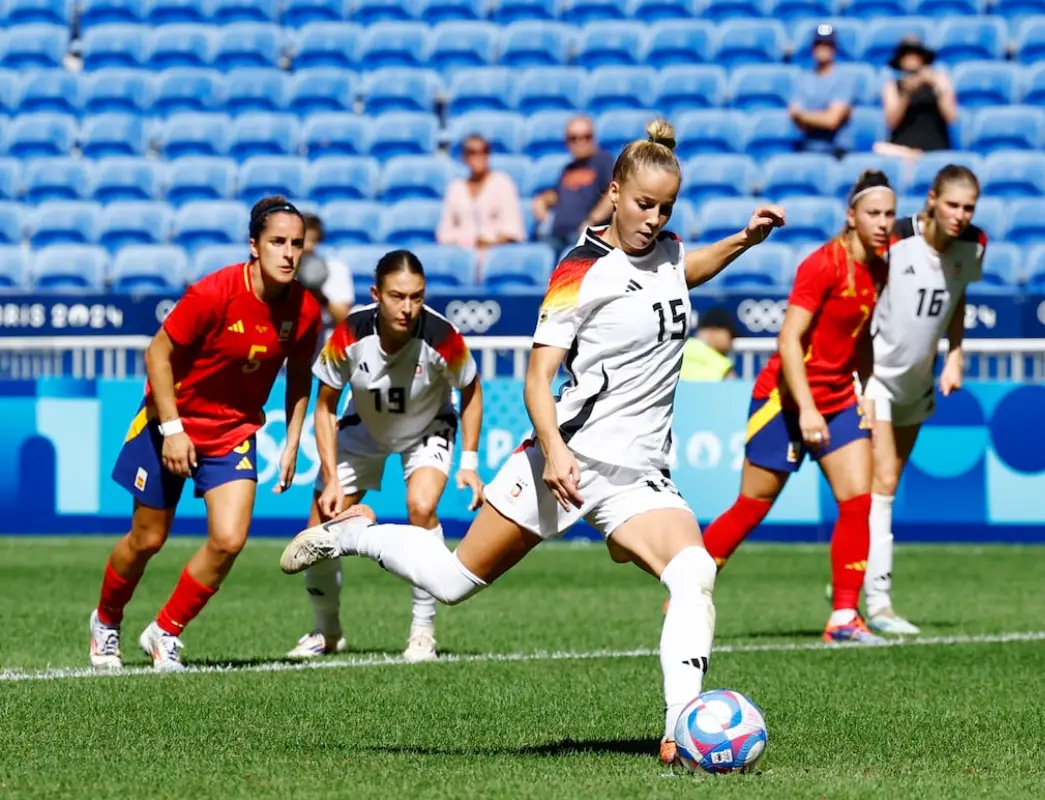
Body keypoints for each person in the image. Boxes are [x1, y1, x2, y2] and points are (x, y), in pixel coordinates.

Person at [280, 120, 785, 765]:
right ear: (614, 192)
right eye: (643, 204)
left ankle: (680, 728)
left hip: (637, 474)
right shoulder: (580, 269)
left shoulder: (668, 251)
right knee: (453, 580)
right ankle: (352, 533)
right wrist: (555, 448)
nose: (654, 219)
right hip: (564, 458)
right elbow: (538, 374)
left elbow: (686, 270)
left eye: (665, 208)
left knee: (694, 571)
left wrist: (743, 240)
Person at [89, 196, 322, 671]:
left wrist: (295, 438)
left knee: (230, 539)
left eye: (297, 244)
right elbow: (157, 354)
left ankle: (165, 631)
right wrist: (173, 430)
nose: (288, 253)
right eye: (277, 242)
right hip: (166, 421)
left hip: (232, 430)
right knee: (148, 539)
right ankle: (106, 622)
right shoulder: (214, 292)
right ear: (253, 246)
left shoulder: (305, 310)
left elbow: (300, 374)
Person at [700, 171, 896, 645]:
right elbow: (788, 340)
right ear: (852, 216)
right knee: (751, 507)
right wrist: (805, 410)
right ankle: (687, 587)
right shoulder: (822, 265)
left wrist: (866, 393)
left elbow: (862, 337)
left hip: (839, 399)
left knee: (858, 502)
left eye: (890, 214)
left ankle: (844, 618)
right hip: (784, 399)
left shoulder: (881, 267)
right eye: (874, 213)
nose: (884, 223)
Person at [287, 249, 484, 664]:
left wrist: (469, 461)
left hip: (428, 427)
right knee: (318, 532)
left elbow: (470, 389)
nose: (408, 307)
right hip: (363, 427)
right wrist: (332, 477)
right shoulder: (348, 335)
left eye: (416, 296)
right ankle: (327, 631)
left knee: (421, 506)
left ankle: (423, 632)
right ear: (377, 294)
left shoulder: (442, 336)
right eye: (397, 296)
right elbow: (324, 406)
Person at [861, 164, 985, 635]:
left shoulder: (974, 244)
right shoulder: (893, 237)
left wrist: (955, 354)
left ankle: (857, 567)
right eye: (953, 204)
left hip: (918, 380)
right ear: (932, 198)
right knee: (884, 481)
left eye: (969, 207)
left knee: (884, 486)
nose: (960, 215)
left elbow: (958, 298)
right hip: (875, 375)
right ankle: (880, 601)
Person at [533, 116, 615, 254]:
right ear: (567, 142)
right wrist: (541, 201)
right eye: (574, 138)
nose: (580, 142)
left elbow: (614, 193)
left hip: (582, 237)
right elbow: (557, 195)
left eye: (586, 137)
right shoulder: (568, 168)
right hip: (555, 236)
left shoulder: (604, 161)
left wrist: (592, 220)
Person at [436, 134, 526, 256]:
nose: (478, 156)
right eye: (472, 152)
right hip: (462, 254)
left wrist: (490, 241)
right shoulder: (456, 188)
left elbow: (513, 229)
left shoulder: (502, 183)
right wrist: (469, 240)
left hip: (497, 254)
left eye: (483, 151)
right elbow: (444, 234)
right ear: (464, 157)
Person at [877, 35, 958, 159]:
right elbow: (891, 121)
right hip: (903, 148)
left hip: (935, 146)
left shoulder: (939, 80)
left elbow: (951, 116)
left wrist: (938, 87)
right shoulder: (893, 86)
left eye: (915, 54)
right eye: (906, 55)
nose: (911, 59)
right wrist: (907, 92)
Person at [790, 23, 854, 155]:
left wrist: (803, 116)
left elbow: (832, 120)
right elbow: (795, 117)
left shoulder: (844, 78)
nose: (823, 49)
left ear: (834, 49)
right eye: (819, 45)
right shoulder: (804, 79)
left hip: (836, 153)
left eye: (827, 45)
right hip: (808, 150)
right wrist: (815, 117)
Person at [299, 214, 356, 331]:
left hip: (323, 342)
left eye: (311, 240)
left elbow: (344, 320)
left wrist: (320, 296)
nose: (306, 247)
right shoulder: (279, 270)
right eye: (299, 241)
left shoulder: (335, 269)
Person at [679, 306, 737, 381]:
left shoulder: (677, 349)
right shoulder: (722, 365)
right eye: (731, 335)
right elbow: (732, 386)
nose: (732, 341)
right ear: (714, 330)